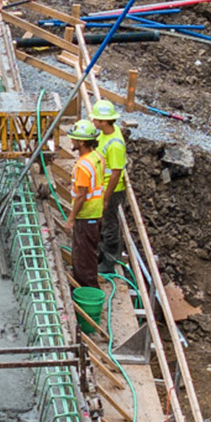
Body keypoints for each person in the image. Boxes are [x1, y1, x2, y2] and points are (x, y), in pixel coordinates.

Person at [64, 117, 106, 296]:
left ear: (81, 142)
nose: (71, 141)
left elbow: (81, 195)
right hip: (96, 212)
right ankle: (85, 286)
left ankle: (87, 292)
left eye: (73, 138)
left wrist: (71, 219)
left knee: (84, 258)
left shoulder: (83, 166)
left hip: (85, 215)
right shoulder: (97, 157)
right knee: (88, 252)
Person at [91, 97, 129, 272]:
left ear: (104, 122)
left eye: (96, 120)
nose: (93, 121)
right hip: (101, 187)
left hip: (111, 191)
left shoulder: (115, 144)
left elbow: (116, 173)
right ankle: (100, 253)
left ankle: (110, 261)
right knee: (102, 223)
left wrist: (106, 197)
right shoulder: (104, 135)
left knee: (109, 225)